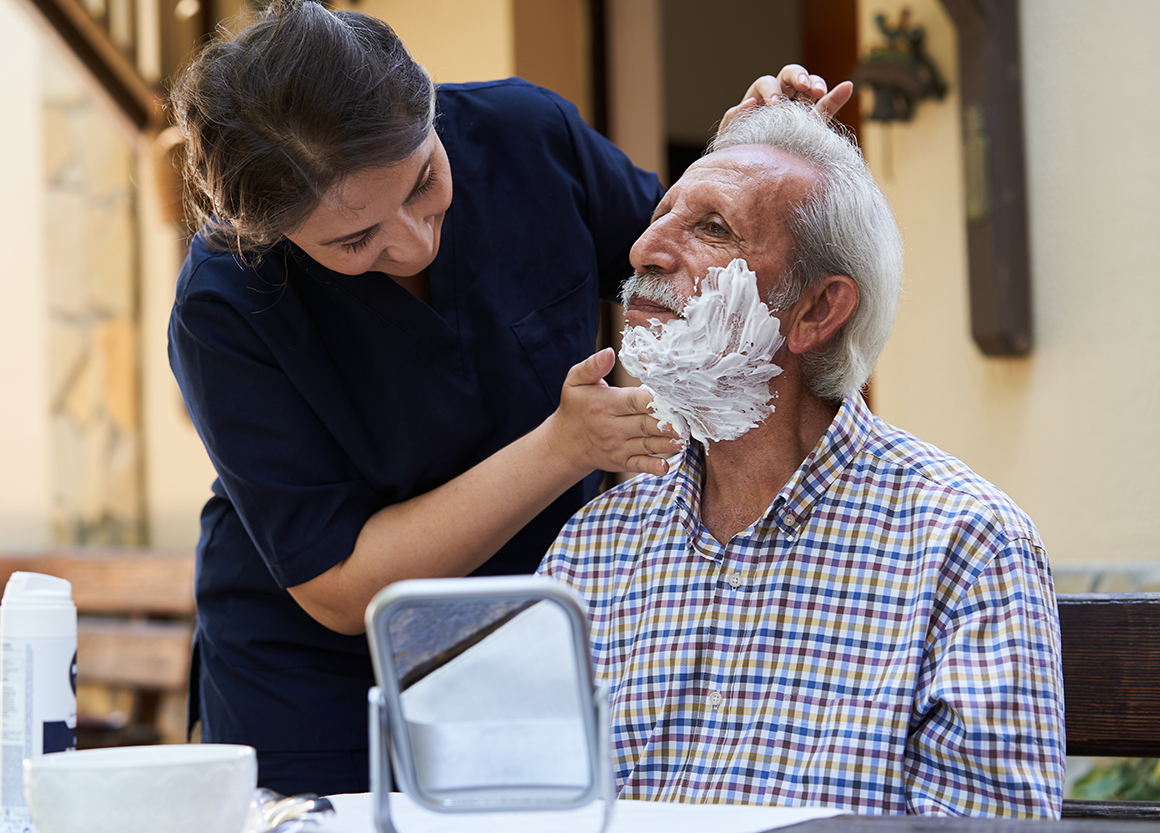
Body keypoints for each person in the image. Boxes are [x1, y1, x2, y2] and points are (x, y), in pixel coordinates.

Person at [166, 0, 847, 796]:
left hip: (538, 634)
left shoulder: (526, 137)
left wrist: (740, 167)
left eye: (425, 180)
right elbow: (341, 584)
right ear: (274, 235)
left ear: (428, 109)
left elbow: (677, 271)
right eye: (355, 242)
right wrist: (562, 448)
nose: (417, 240)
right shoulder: (226, 302)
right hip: (322, 689)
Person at [539, 101, 1064, 816]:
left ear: (816, 310)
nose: (644, 251)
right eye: (659, 216)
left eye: (712, 227)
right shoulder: (595, 547)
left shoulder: (964, 544)